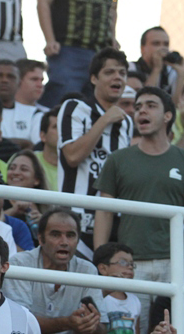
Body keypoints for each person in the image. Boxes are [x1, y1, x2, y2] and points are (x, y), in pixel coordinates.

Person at [93, 87, 184, 330]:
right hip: (131, 264)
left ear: (168, 116)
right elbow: (104, 211)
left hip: (177, 261)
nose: (141, 111)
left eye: (150, 105)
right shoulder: (118, 159)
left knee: (177, 328)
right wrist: (101, 259)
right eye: (137, 107)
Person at [57, 48, 132, 259]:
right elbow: (72, 156)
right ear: (93, 78)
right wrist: (105, 119)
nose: (117, 77)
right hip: (74, 216)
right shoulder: (75, 108)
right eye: (109, 72)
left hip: (112, 222)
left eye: (122, 73)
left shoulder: (126, 122)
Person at [2, 208, 108, 334]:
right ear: (40, 239)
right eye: (56, 234)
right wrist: (67, 323)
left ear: (78, 241)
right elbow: (20, 323)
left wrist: (91, 325)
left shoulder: (87, 270)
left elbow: (102, 328)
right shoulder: (20, 264)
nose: (64, 242)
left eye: (70, 235)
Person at [0, 59, 41, 146]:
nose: (4, 80)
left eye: (10, 76)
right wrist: (22, 142)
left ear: (19, 83)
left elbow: (36, 147)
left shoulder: (33, 114)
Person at [93, 243, 141, 334]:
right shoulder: (97, 296)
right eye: (123, 262)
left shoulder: (135, 300)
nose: (130, 267)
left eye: (132, 264)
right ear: (103, 268)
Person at [129, 27, 184, 104]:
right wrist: (156, 69)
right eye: (156, 44)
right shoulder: (131, 67)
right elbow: (143, 100)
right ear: (142, 48)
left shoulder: (171, 73)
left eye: (166, 44)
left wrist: (181, 75)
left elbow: (175, 106)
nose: (162, 48)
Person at [3, 150, 49, 241]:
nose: (15, 172)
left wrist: (45, 224)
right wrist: (13, 211)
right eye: (12, 168)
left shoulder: (45, 206)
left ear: (36, 180)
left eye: (24, 169)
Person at [36, 106, 59, 192]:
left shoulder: (80, 166)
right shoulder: (29, 161)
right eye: (56, 127)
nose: (62, 130)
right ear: (43, 136)